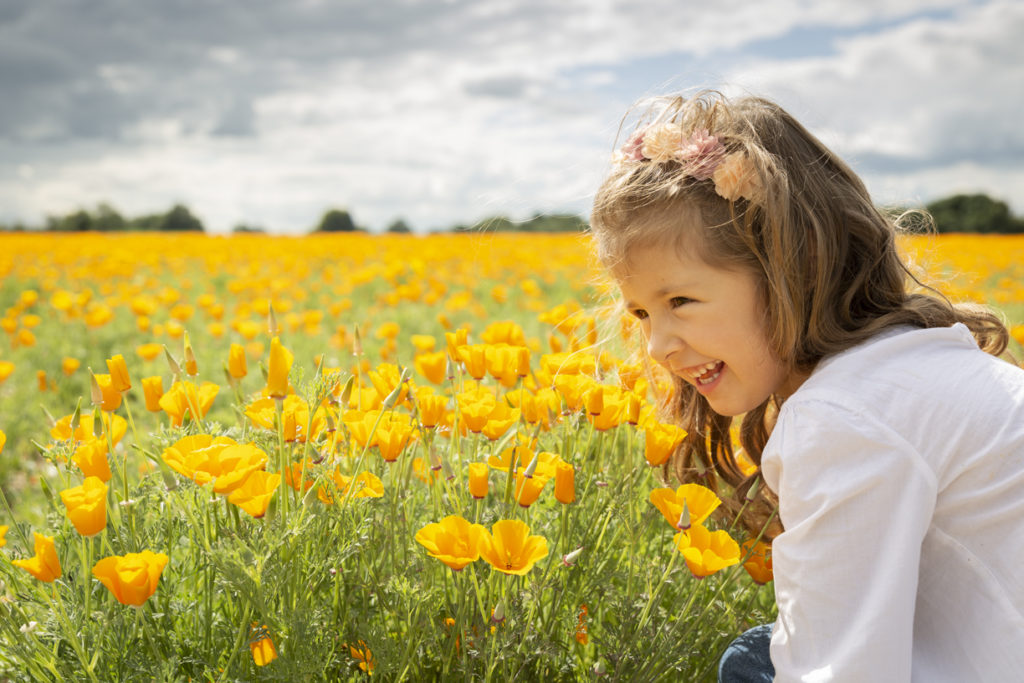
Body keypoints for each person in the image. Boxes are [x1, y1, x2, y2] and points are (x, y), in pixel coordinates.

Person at [589, 91, 1024, 682]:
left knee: (752, 664)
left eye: (681, 301)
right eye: (641, 313)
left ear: (789, 266)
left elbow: (841, 672)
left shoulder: (843, 416)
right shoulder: (912, 367)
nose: (657, 346)